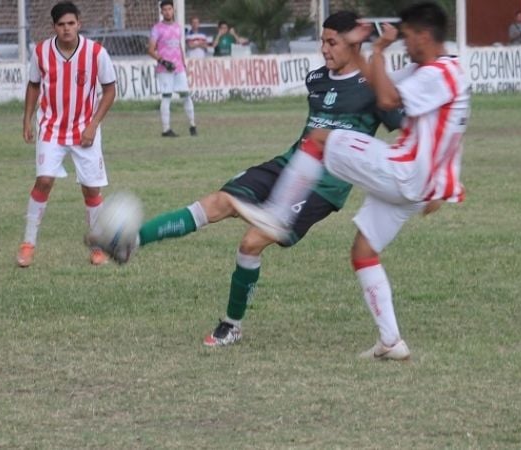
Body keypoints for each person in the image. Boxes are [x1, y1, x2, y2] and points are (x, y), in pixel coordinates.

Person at [92, 11, 402, 347]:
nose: (324, 49)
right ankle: (131, 242)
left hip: (325, 186)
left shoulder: (374, 86)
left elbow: (399, 120)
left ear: (354, 42)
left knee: (251, 242)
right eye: (322, 42)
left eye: (332, 43)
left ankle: (232, 325)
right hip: (290, 164)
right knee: (219, 201)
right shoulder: (316, 79)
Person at [230, 2, 470, 361]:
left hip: (404, 172)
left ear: (423, 36)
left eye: (407, 37)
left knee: (319, 138)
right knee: (363, 252)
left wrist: (377, 50)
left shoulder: (438, 74)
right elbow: (378, 84)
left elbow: (385, 98)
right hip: (418, 183)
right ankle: (391, 341)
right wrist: (365, 50)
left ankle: (278, 215)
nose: (405, 44)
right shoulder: (439, 71)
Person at [16, 1, 117, 268]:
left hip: (85, 130)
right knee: (44, 181)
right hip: (51, 127)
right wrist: (27, 119)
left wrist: (93, 125)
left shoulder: (96, 53)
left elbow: (110, 90)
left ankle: (97, 247)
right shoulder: (41, 52)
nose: (66, 29)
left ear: (79, 24)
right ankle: (28, 244)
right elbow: (33, 85)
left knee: (91, 188)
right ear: (54, 27)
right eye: (61, 25)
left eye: (71, 23)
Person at [148, 0, 197, 137]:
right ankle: (166, 129)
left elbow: (179, 47)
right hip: (165, 69)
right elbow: (150, 50)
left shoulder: (177, 27)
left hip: (178, 67)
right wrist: (163, 61)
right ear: (161, 12)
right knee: (167, 96)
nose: (167, 12)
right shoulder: (157, 28)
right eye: (165, 10)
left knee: (186, 95)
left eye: (169, 9)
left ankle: (192, 125)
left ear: (173, 10)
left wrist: (183, 63)